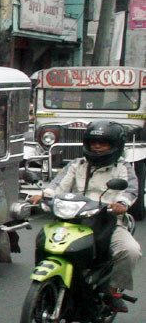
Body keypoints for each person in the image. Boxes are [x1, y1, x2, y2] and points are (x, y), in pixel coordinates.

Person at [29, 120, 142, 312]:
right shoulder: (77, 165)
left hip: (107, 221)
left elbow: (130, 190)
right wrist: (43, 195)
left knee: (130, 251)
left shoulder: (122, 168)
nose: (97, 147)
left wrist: (121, 204)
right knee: (46, 241)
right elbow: (58, 185)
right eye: (93, 142)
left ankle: (113, 290)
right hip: (72, 220)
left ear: (115, 146)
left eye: (103, 143)